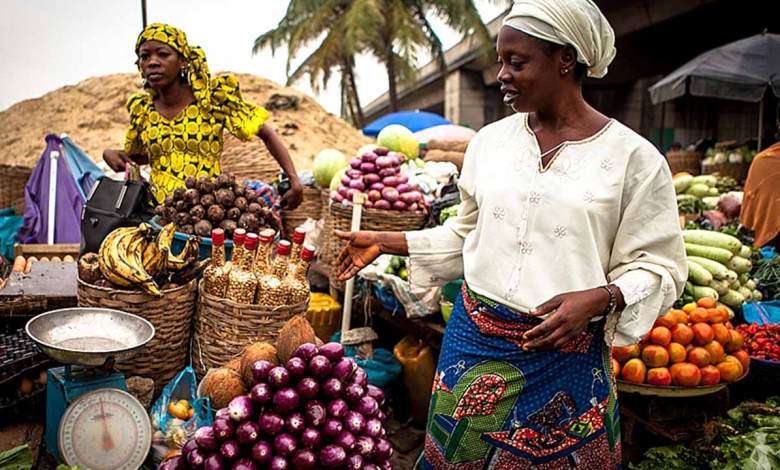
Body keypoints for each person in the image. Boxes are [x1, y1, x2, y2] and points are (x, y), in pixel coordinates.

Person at [334, 1, 687, 468]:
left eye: (516, 62)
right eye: (501, 61)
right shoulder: (489, 144)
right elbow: (468, 233)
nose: (502, 74)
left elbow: (659, 265)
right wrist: (386, 242)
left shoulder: (634, 160)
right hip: (474, 346)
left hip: (564, 355)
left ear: (565, 59)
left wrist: (602, 297)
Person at [103, 23, 303, 209]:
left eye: (163, 54)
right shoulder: (143, 110)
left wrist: (293, 178)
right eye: (145, 56)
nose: (152, 62)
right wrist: (113, 154)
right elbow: (149, 156)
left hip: (207, 212)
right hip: (159, 212)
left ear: (182, 61)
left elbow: (266, 134)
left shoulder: (211, 100)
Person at [740, 140, 780, 249]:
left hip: (770, 238)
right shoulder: (764, 161)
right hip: (773, 239)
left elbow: (751, 203)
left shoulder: (763, 160)